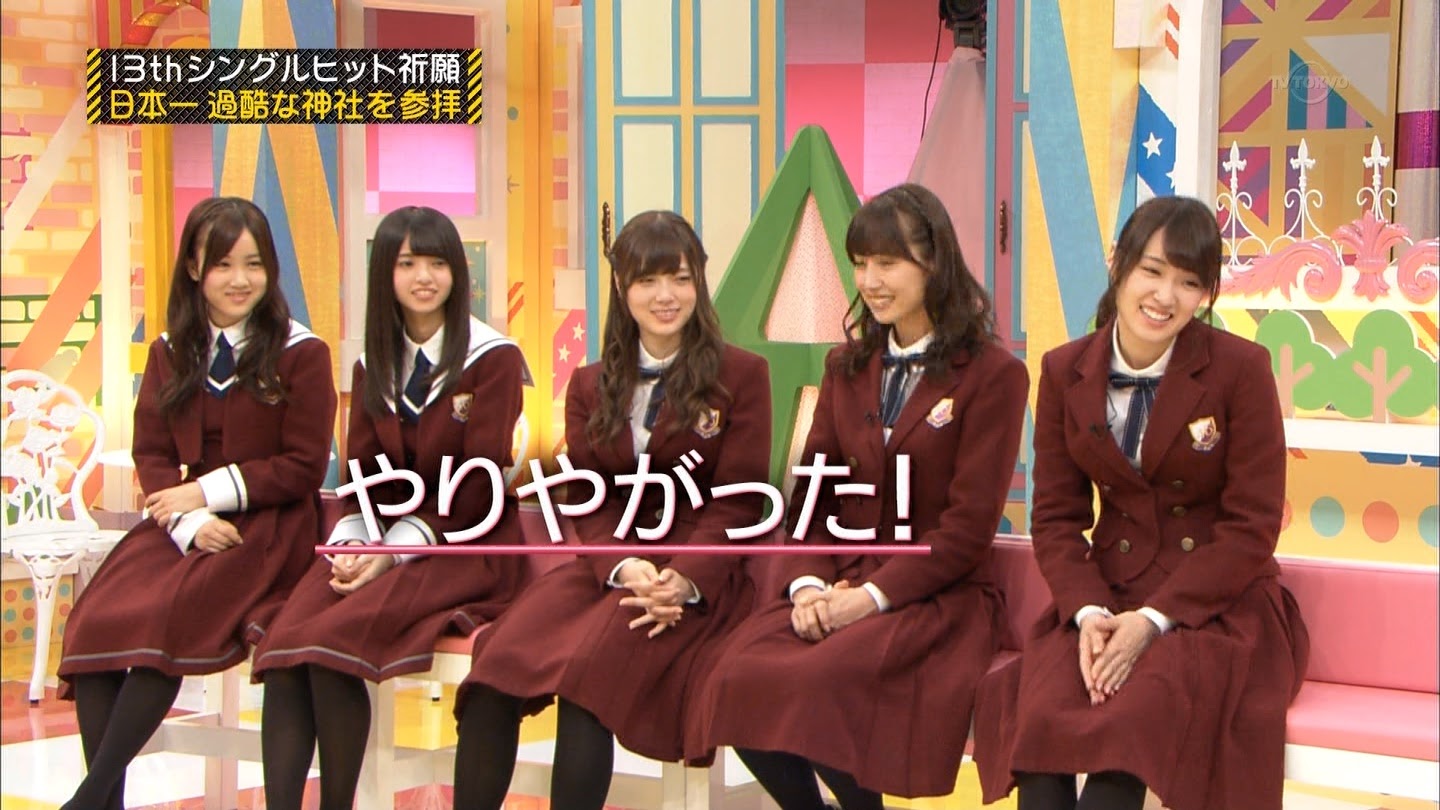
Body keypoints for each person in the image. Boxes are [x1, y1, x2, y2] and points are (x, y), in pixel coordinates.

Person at [688, 183, 1029, 809]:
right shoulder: (845, 367)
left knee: (823, 681)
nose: (870, 281)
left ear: (934, 262)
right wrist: (808, 587)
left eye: (888, 263)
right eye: (861, 263)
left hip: (934, 596)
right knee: (731, 677)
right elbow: (812, 500)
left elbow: (966, 530)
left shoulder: (994, 375)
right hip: (838, 580)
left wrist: (868, 599)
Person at [972, 195, 1310, 810]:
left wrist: (1153, 620)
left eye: (1189, 282)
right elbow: (1055, 517)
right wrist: (1087, 612)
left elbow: (1252, 526)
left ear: (1205, 293)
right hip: (1105, 597)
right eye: (1152, 271)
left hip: (1214, 609)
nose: (1165, 296)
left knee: (1123, 743)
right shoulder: (1065, 370)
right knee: (1040, 739)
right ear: (1118, 263)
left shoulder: (1241, 369)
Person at [451, 210, 772, 810]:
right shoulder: (588, 384)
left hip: (695, 575)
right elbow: (586, 497)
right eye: (647, 280)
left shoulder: (742, 376)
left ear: (699, 283)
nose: (665, 295)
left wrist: (682, 579)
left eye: (679, 278)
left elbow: (739, 502)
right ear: (623, 288)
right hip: (609, 569)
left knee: (587, 684)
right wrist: (623, 565)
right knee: (494, 671)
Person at [55, 197, 338, 810]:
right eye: (223, 264)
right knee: (96, 621)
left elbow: (302, 467)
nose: (241, 280)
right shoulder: (170, 350)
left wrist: (206, 493)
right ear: (193, 268)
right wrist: (189, 518)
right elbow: (153, 452)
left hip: (269, 527)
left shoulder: (302, 352)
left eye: (254, 264)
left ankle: (87, 799)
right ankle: (103, 800)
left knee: (170, 616)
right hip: (183, 521)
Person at [249, 206, 530, 810]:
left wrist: (392, 551)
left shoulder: (493, 358)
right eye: (407, 264)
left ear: (457, 272)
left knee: (331, 642)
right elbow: (362, 473)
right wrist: (357, 545)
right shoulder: (373, 362)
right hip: (381, 539)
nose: (424, 277)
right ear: (386, 274)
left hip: (464, 542)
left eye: (437, 263)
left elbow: (478, 483)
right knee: (287, 645)